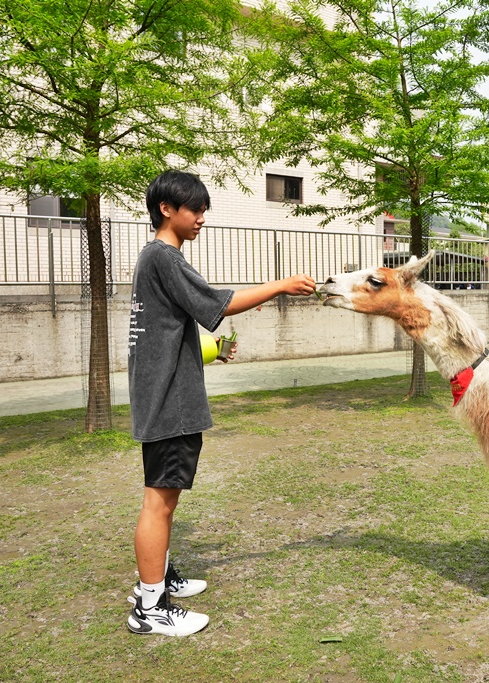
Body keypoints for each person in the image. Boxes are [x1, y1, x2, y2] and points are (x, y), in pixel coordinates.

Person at [126, 170, 316, 636]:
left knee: (164, 497)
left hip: (166, 395)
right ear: (167, 209)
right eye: (195, 209)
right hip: (168, 403)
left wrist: (210, 351)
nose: (202, 219)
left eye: (204, 209)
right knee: (160, 500)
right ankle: (149, 608)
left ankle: (160, 579)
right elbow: (218, 304)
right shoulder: (165, 257)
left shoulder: (156, 260)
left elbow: (171, 332)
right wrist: (280, 285)